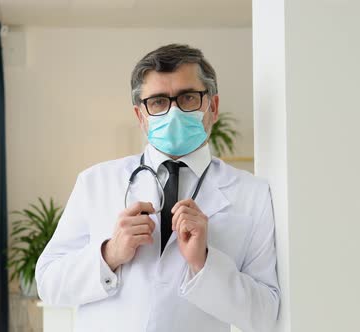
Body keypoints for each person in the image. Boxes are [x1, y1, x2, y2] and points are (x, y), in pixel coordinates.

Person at [35, 44, 280, 332]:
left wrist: (204, 263)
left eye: (188, 98)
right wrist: (110, 254)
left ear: (212, 106)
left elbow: (265, 313)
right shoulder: (95, 182)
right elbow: (48, 283)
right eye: (159, 102)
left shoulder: (251, 194)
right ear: (141, 116)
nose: (173, 112)